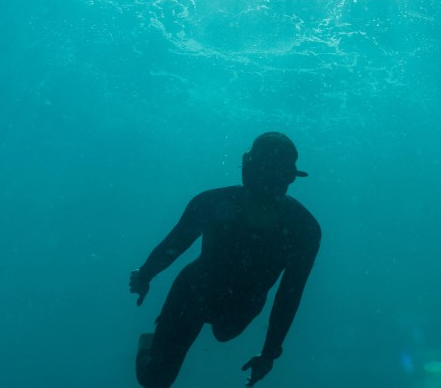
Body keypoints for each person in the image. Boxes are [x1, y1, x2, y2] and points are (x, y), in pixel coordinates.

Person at [129, 132, 321, 388]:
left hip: (239, 306)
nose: (263, 182)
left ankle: (164, 339)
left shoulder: (303, 229)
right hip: (193, 294)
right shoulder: (300, 227)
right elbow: (175, 244)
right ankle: (150, 344)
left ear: (286, 178)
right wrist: (144, 275)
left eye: (271, 173)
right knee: (155, 380)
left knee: (224, 333)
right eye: (261, 170)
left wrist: (270, 353)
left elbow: (289, 295)